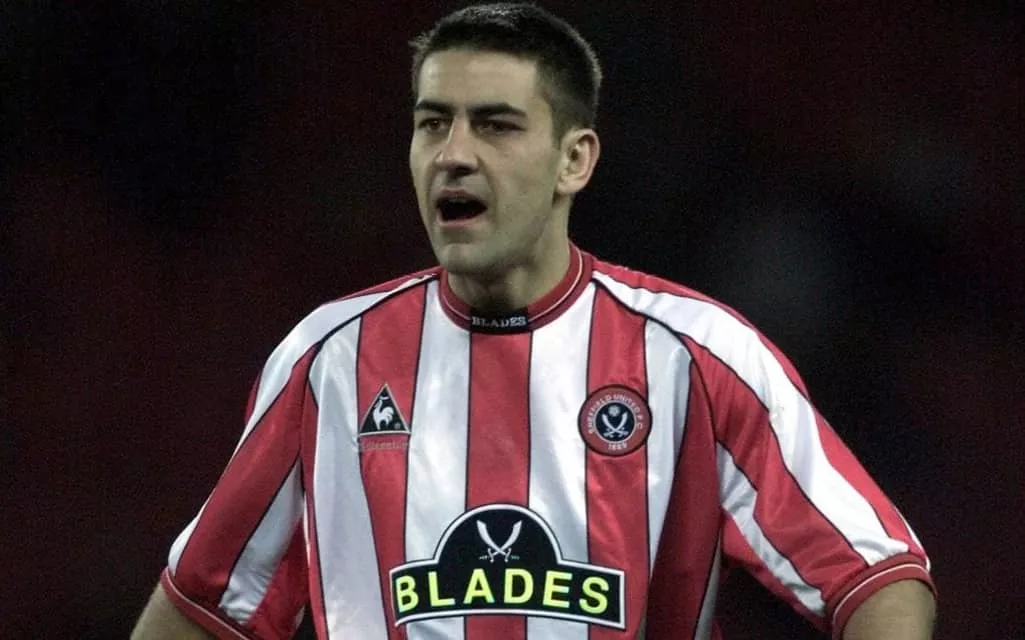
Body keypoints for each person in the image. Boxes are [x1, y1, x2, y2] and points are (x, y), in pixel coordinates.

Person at [131, 3, 936, 639]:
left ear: (573, 160)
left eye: (495, 124)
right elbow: (202, 607)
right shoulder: (327, 361)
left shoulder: (699, 356)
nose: (453, 153)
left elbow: (876, 575)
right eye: (432, 122)